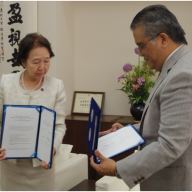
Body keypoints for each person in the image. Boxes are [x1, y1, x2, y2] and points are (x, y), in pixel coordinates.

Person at [90, 5, 192, 191]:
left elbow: (170, 144)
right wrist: (127, 132)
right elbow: (164, 122)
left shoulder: (183, 74)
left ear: (162, 39)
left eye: (141, 45)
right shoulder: (173, 67)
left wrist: (117, 168)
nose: (140, 53)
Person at [0, 33, 67, 190]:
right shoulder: (5, 83)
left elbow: (59, 126)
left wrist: (53, 149)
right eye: (36, 62)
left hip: (41, 170)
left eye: (47, 60)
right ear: (23, 61)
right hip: (9, 168)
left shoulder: (56, 86)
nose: (42, 67)